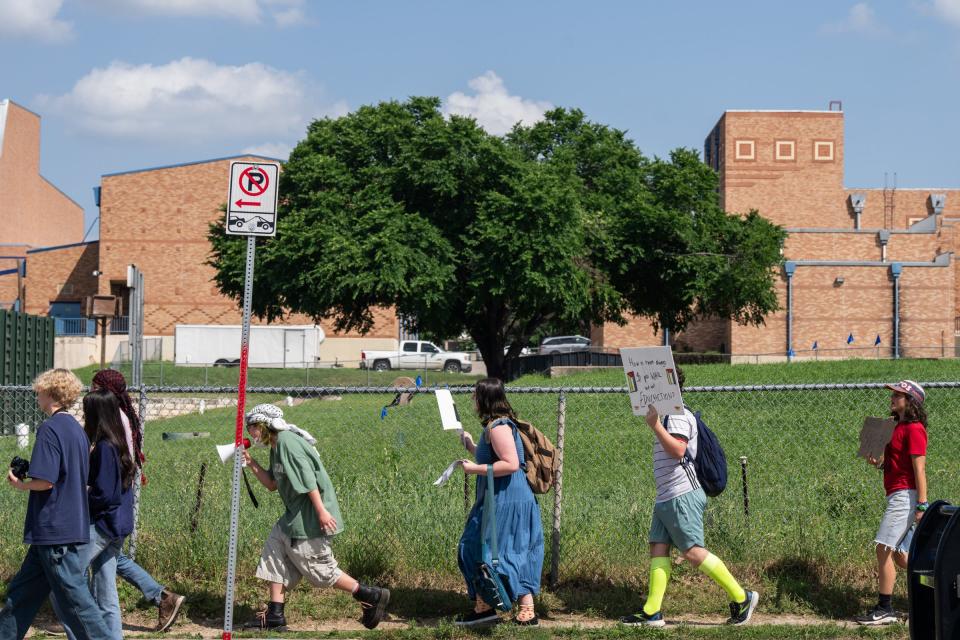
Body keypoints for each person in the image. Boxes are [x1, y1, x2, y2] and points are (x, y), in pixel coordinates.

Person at [620, 365, 758, 627]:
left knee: (693, 552)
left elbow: (678, 450)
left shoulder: (679, 414)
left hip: (682, 493)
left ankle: (742, 598)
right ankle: (652, 611)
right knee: (658, 547)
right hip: (666, 496)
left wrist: (654, 426)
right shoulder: (666, 415)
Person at [241, 403, 390, 631]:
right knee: (275, 549)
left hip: (309, 516)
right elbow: (272, 483)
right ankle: (275, 615)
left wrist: (321, 511)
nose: (249, 431)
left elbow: (308, 478)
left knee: (319, 571)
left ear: (263, 423)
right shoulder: (276, 445)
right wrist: (250, 462)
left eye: (251, 426)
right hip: (293, 516)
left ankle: (369, 594)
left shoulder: (287, 443)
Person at [0, 369, 112, 640]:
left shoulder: (49, 429)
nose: (37, 395)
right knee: (21, 595)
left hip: (54, 528)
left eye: (39, 391)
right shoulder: (76, 430)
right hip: (64, 526)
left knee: (76, 599)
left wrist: (20, 484)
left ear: (51, 393)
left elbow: (46, 481)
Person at [91, 369, 185, 632]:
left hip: (111, 503)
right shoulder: (122, 417)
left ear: (105, 391)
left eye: (94, 386)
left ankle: (69, 610)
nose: (90, 391)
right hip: (119, 500)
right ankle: (162, 597)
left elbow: (110, 468)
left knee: (68, 566)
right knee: (110, 560)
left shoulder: (113, 420)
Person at [455, 378, 544, 627]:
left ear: (485, 398)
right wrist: (472, 446)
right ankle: (486, 607)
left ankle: (524, 610)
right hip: (500, 496)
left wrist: (475, 470)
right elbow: (495, 457)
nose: (472, 399)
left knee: (500, 549)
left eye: (475, 395)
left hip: (508, 498)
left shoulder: (499, 427)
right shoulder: (493, 427)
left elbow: (511, 464)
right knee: (499, 548)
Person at [53, 390, 138, 639]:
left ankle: (82, 634)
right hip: (117, 526)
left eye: (86, 410)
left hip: (103, 526)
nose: (83, 415)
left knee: (65, 579)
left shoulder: (105, 447)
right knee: (105, 591)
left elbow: (104, 494)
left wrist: (78, 497)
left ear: (96, 414)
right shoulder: (116, 443)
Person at [856, 380, 929, 626]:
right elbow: (889, 463)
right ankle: (937, 592)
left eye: (899, 395)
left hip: (905, 496)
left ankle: (884, 608)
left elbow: (920, 470)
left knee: (883, 548)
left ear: (911, 402)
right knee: (900, 555)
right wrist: (874, 460)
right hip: (896, 494)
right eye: (894, 393)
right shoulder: (895, 427)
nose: (893, 397)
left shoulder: (915, 429)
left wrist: (922, 505)